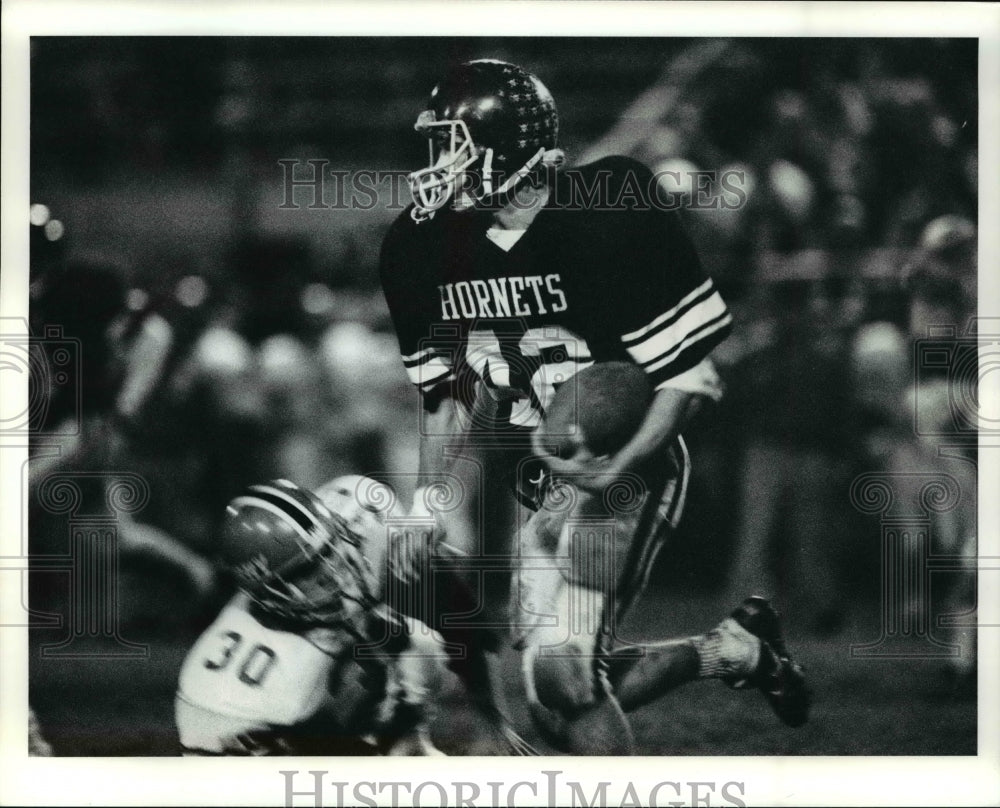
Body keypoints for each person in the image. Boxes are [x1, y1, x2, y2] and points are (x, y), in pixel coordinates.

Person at [379, 59, 809, 754]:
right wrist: (430, 501)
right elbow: (447, 393)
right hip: (542, 478)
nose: (439, 165)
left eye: (454, 144)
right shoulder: (424, 245)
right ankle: (733, 651)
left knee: (562, 675)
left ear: (509, 148)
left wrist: (624, 466)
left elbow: (687, 377)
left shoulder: (608, 211)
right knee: (555, 700)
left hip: (628, 470)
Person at [174, 478, 446, 756]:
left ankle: (408, 740)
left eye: (329, 553)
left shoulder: (296, 585)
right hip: (256, 753)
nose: (333, 576)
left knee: (417, 642)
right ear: (269, 593)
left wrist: (424, 506)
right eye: (308, 576)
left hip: (294, 716)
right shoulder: (285, 682)